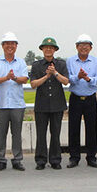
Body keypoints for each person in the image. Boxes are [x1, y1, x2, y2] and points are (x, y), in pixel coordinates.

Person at [0, 32, 29, 172]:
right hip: (1, 104)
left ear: (16, 46)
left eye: (12, 43)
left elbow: (25, 79)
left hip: (17, 104)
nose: (10, 46)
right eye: (7, 43)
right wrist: (6, 77)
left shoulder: (21, 62)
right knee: (1, 133)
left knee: (16, 134)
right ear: (2, 46)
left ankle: (17, 160)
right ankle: (1, 160)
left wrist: (14, 78)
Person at [29, 37, 69, 170]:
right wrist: (46, 76)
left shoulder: (61, 64)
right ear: (42, 49)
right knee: (41, 134)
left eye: (51, 48)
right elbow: (33, 84)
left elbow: (65, 81)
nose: (48, 50)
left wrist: (55, 73)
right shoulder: (36, 65)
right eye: (46, 47)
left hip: (57, 104)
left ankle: (55, 160)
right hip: (42, 104)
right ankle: (40, 160)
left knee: (55, 133)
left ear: (55, 50)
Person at [66, 34, 97, 168]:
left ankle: (91, 157)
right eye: (81, 45)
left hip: (90, 98)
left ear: (91, 47)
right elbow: (68, 79)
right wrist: (78, 77)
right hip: (76, 98)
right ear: (76, 47)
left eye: (86, 45)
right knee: (73, 128)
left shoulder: (95, 61)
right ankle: (74, 158)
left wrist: (88, 79)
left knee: (91, 128)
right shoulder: (70, 61)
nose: (84, 47)